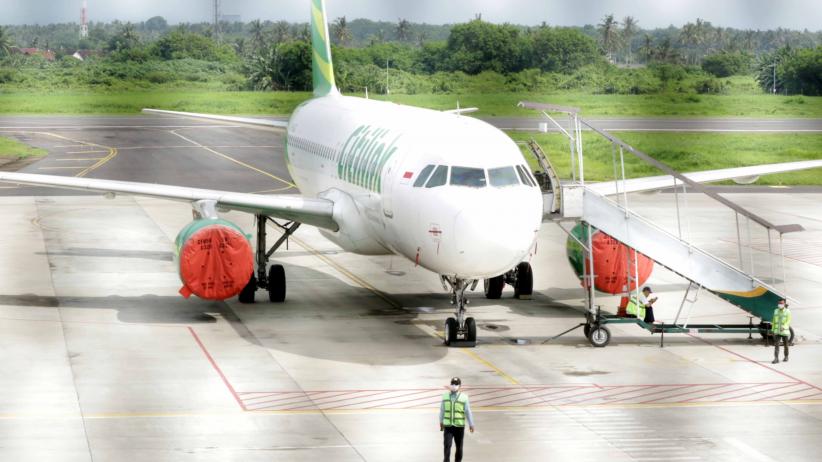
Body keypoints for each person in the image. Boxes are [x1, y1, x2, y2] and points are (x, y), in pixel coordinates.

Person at [439, 377, 474, 462]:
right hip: (448, 426)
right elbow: (442, 410)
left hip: (459, 426)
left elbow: (468, 411)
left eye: (456, 384)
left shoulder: (464, 397)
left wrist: (471, 424)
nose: (454, 386)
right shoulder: (445, 396)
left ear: (460, 386)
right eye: (452, 384)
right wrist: (441, 421)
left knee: (459, 447)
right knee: (447, 446)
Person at [772, 299, 792, 364]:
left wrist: (784, 327)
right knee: (776, 345)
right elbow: (774, 321)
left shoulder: (787, 311)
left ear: (784, 304)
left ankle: (786, 356)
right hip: (777, 331)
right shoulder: (776, 311)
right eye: (779, 303)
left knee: (786, 345)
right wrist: (772, 330)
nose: (780, 304)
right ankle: (776, 358)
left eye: (781, 303)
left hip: (784, 331)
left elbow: (788, 321)